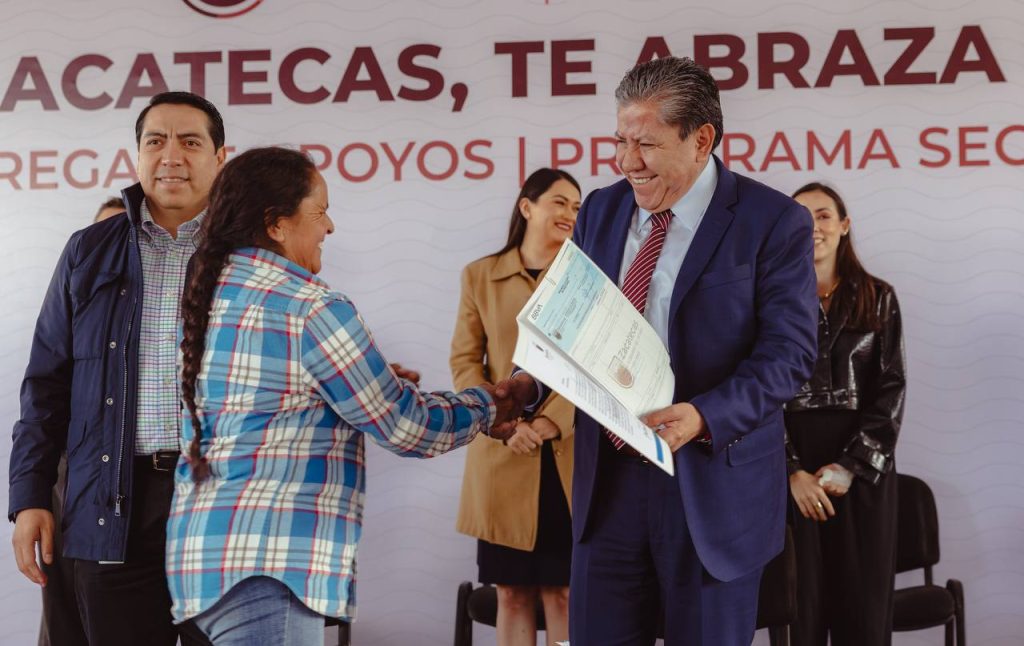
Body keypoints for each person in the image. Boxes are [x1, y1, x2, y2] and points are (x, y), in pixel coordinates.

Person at [502, 56, 819, 645]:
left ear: (701, 140)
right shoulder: (601, 210)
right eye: (620, 142)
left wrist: (704, 416)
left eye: (646, 144)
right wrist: (526, 383)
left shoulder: (773, 221)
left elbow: (789, 354)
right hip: (608, 489)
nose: (627, 162)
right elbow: (568, 325)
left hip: (710, 490)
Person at [166, 146, 523, 645]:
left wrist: (359, 381)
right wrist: (490, 404)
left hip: (204, 563)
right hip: (269, 564)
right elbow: (407, 427)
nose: (329, 227)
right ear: (277, 224)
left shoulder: (212, 298)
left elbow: (269, 401)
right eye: (319, 212)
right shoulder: (309, 307)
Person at [9, 91, 226, 646]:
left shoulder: (249, 253)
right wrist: (30, 496)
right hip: (112, 500)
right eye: (156, 141)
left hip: (222, 502)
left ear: (220, 157)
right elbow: (46, 385)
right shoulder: (87, 251)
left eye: (190, 141)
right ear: (138, 155)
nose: (171, 155)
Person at [451, 168, 581, 646]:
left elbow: (598, 365)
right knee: (510, 593)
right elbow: (466, 360)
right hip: (502, 452)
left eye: (576, 207)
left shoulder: (585, 279)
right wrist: (500, 420)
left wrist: (552, 421)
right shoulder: (480, 275)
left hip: (565, 455)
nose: (569, 214)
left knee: (563, 594)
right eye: (559, 202)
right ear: (527, 206)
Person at [784, 183, 906, 646]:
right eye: (801, 217)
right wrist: (790, 471)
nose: (813, 227)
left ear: (844, 225)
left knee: (864, 615)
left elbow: (891, 388)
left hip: (862, 472)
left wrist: (852, 465)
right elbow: (759, 394)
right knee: (801, 615)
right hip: (795, 475)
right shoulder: (768, 300)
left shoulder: (879, 296)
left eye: (823, 215)